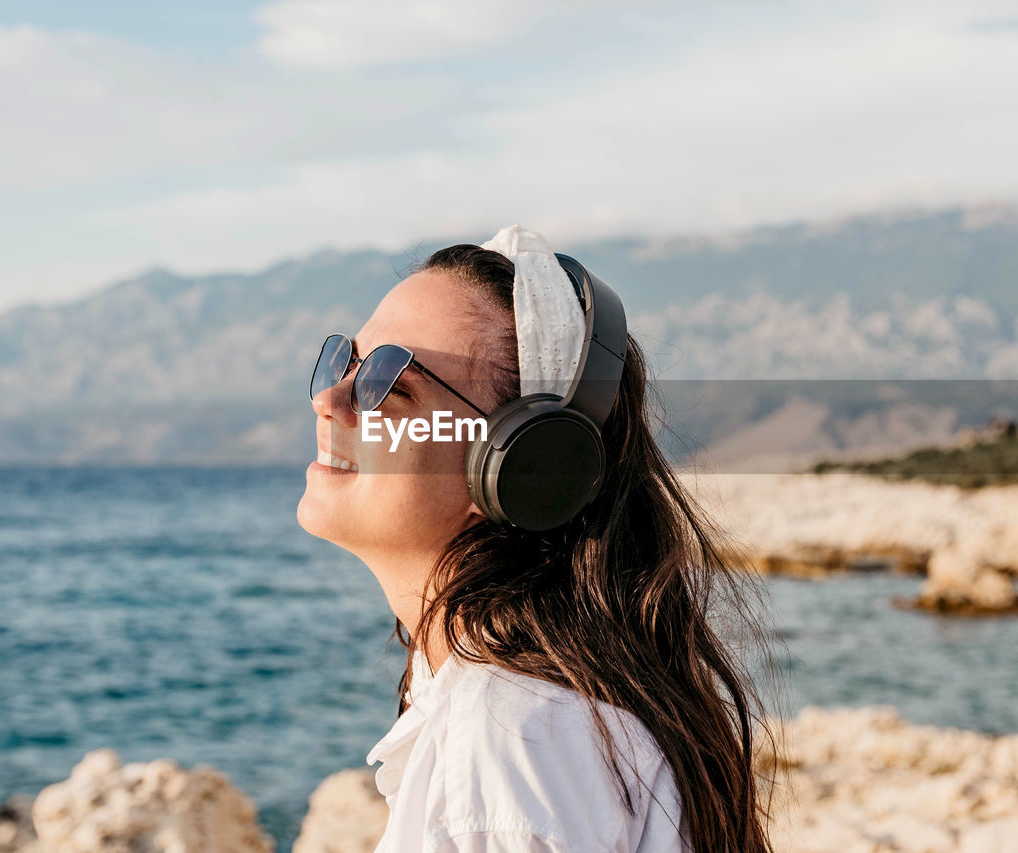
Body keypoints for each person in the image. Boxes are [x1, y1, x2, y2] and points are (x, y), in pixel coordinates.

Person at [297, 227, 775, 852]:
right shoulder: (535, 716)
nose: (328, 401)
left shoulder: (509, 740)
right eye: (345, 360)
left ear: (520, 464)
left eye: (388, 383)